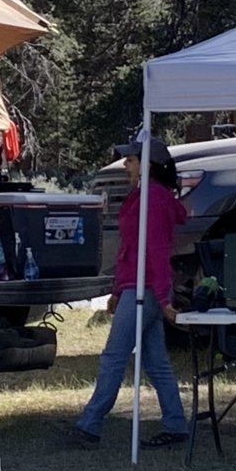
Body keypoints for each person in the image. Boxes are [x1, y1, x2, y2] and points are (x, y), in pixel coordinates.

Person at [70, 136, 189, 449]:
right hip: (137, 288)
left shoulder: (152, 199)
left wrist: (163, 298)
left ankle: (89, 425)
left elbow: (156, 251)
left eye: (132, 159)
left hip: (146, 290)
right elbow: (132, 249)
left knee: (113, 356)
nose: (126, 164)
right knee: (156, 361)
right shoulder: (145, 195)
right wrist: (117, 290)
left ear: (147, 163)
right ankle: (176, 425)